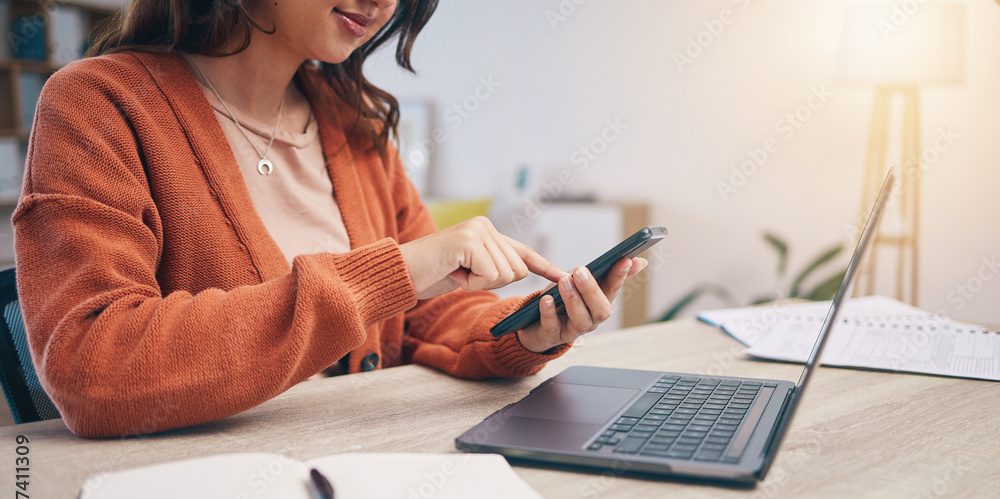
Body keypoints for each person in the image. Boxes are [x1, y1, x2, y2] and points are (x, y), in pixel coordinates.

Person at [13, 0, 646, 441]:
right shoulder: (99, 104)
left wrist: (523, 332)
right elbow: (91, 366)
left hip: (369, 474)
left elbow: (424, 314)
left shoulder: (355, 122)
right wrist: (392, 269)